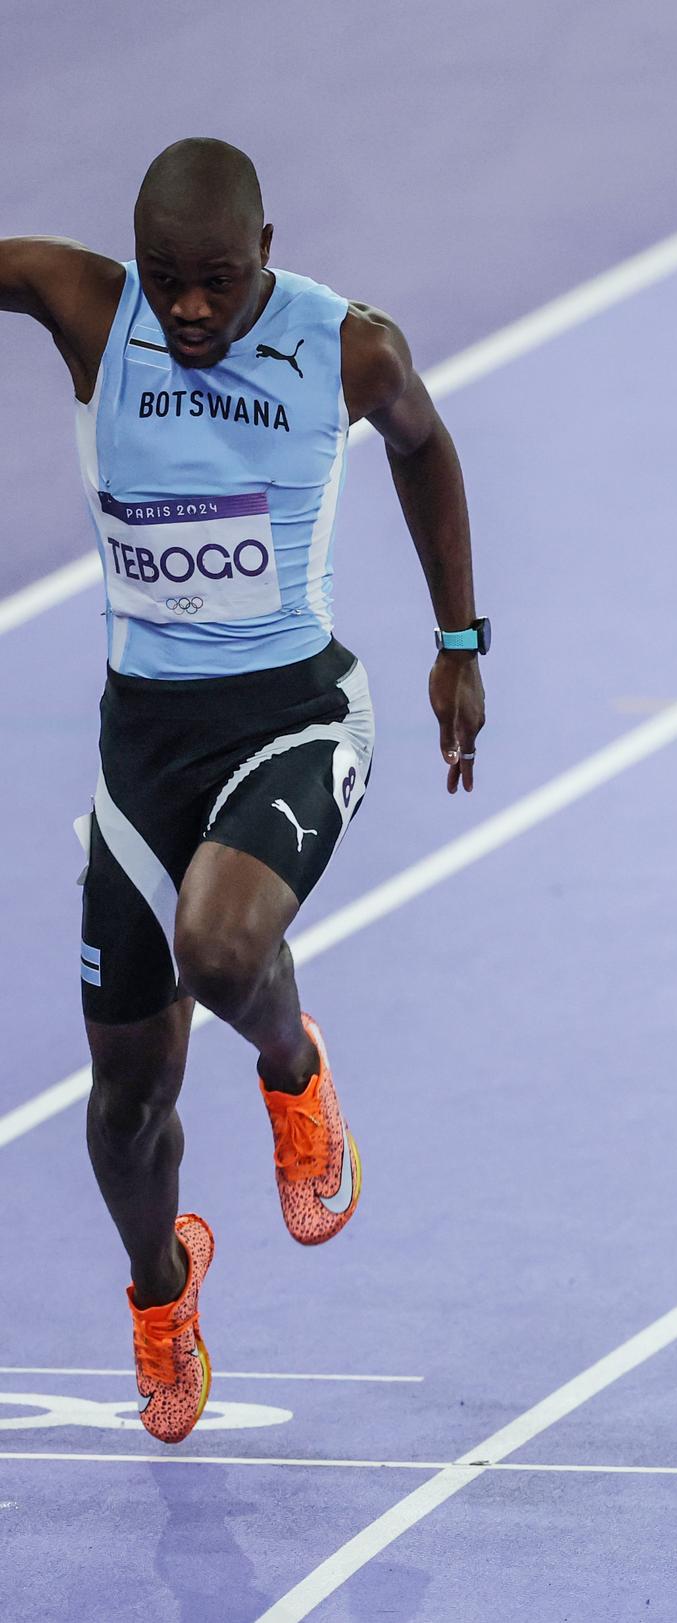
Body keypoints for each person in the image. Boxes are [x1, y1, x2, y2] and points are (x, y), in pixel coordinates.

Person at [0, 138, 489, 1444]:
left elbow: (425, 448)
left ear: (267, 250)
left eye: (218, 280)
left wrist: (457, 645)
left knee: (222, 947)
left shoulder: (348, 348)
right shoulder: (91, 308)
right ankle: (164, 1290)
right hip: (141, 753)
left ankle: (293, 1061)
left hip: (293, 713)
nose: (193, 310)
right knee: (122, 1111)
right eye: (170, 284)